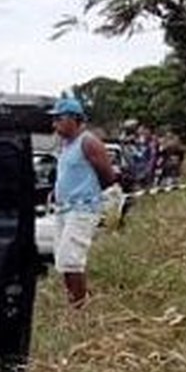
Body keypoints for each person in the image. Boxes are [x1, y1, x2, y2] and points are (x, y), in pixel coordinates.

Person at [48, 98, 117, 309]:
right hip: (64, 210)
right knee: (63, 261)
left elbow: (108, 176)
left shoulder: (88, 142)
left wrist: (88, 195)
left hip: (82, 210)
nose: (54, 124)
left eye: (59, 119)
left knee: (71, 259)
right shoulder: (66, 146)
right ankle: (77, 301)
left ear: (74, 119)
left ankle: (80, 309)